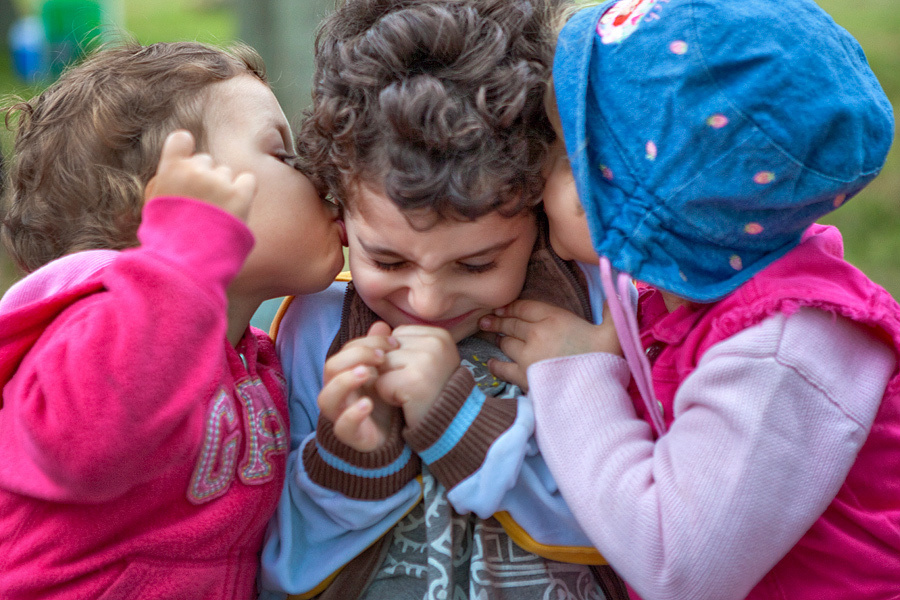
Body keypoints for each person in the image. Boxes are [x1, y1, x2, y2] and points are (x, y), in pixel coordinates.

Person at [478, 0, 900, 598]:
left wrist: (575, 374)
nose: (536, 174)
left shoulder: (779, 355)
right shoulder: (706, 277)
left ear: (595, 201)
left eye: (562, 154)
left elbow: (677, 567)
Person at [259, 1, 631, 598]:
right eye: (387, 260)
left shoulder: (595, 315)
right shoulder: (312, 333)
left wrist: (451, 417)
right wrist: (356, 452)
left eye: (478, 263)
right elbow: (279, 567)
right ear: (339, 213)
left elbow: (636, 530)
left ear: (538, 214)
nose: (428, 302)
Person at [0, 41, 345, 599]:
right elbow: (87, 444)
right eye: (280, 152)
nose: (318, 173)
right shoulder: (89, 324)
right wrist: (185, 256)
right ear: (169, 200)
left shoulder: (254, 358)